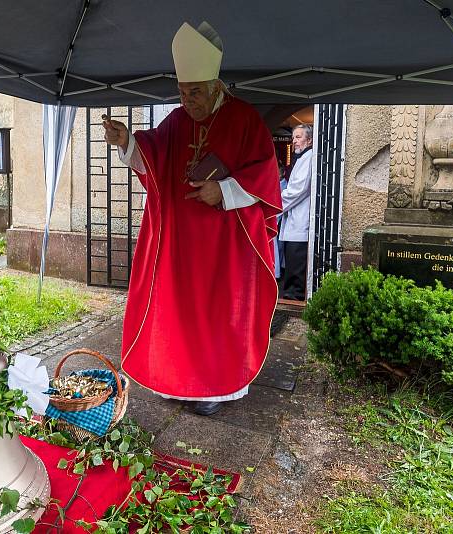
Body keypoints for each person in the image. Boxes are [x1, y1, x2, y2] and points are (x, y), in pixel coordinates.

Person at [103, 21, 281, 416]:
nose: (187, 101)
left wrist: (225, 190)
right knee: (180, 314)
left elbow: (266, 176)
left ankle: (215, 390)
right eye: (182, 93)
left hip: (224, 246)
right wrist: (127, 141)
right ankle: (177, 380)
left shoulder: (245, 120)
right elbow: (154, 153)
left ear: (216, 86)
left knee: (218, 316)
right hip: (182, 244)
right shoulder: (179, 121)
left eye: (195, 93)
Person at [280, 125, 313, 301]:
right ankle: (290, 295)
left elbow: (298, 189)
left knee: (296, 266)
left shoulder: (308, 158)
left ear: (309, 140)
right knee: (291, 265)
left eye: (298, 137)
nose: (294, 141)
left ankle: (294, 300)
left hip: (300, 223)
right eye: (293, 138)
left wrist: (274, 202)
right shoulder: (301, 158)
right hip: (293, 221)